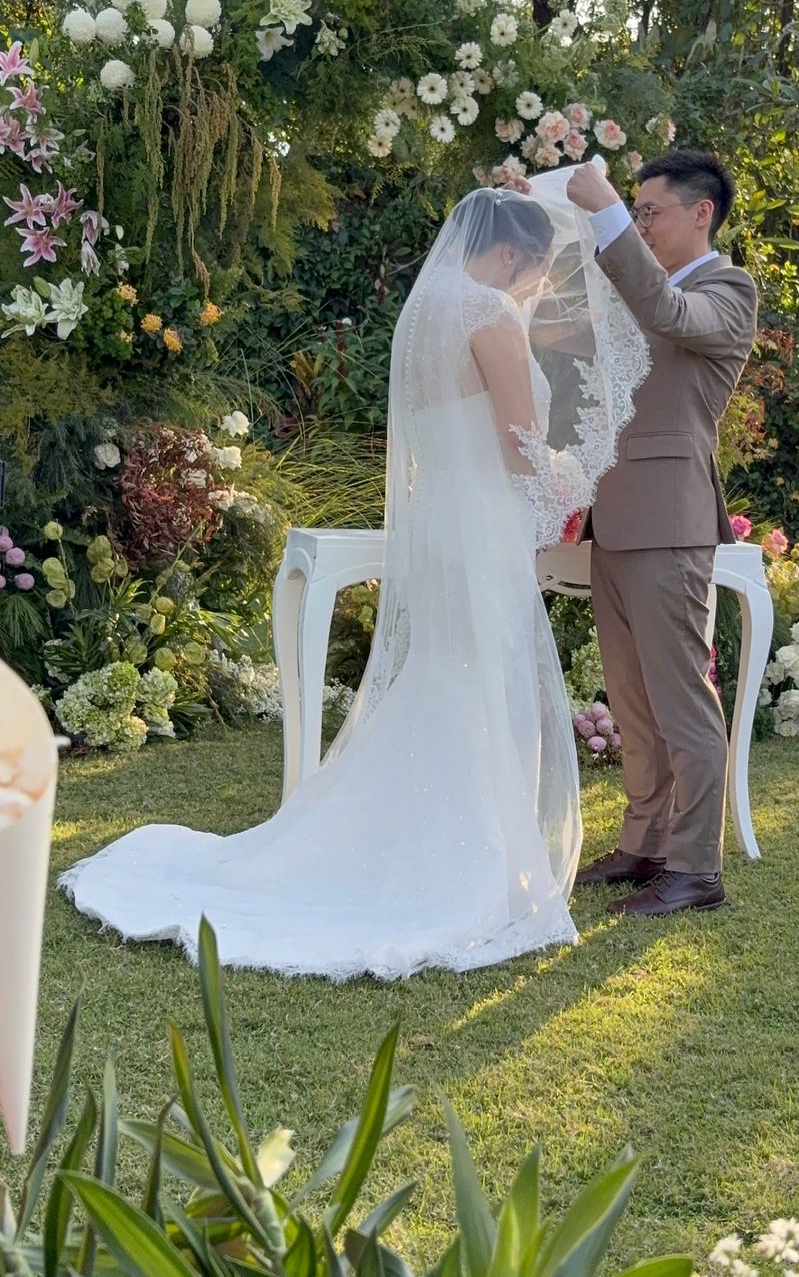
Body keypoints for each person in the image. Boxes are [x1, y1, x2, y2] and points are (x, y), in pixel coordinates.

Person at [60, 178, 649, 979]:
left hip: (440, 518)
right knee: (483, 679)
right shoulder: (490, 316)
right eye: (536, 273)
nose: (535, 290)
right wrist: (573, 477)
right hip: (479, 524)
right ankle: (465, 863)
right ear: (509, 253)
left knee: (446, 673)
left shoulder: (425, 313)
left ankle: (415, 838)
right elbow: (519, 444)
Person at [566, 148, 758, 915]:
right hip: (613, 518)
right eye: (634, 212)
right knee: (633, 701)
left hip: (671, 521)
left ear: (700, 213)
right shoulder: (639, 285)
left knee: (682, 700)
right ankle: (645, 846)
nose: (640, 224)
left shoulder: (726, 290)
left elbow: (667, 316)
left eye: (650, 212)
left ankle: (694, 868)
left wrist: (608, 210)